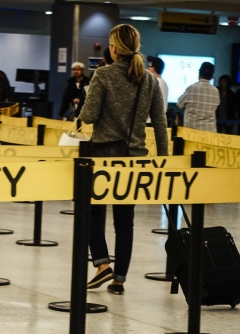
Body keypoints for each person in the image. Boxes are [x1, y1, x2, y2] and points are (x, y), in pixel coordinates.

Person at [79, 23, 169, 295]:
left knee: (92, 212)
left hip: (105, 155)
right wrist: (164, 158)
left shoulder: (103, 74)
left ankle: (102, 264)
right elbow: (160, 122)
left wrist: (83, 107)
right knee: (124, 219)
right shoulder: (149, 80)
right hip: (135, 157)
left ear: (114, 47)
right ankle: (119, 280)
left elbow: (89, 115)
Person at [177, 62, 220, 132]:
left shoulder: (192, 88)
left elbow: (179, 104)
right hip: (209, 133)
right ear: (212, 76)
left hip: (191, 133)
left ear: (199, 74)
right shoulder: (216, 91)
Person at [147, 56, 168, 124]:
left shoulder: (155, 83)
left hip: (152, 121)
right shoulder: (163, 83)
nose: (148, 68)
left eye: (149, 66)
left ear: (153, 68)